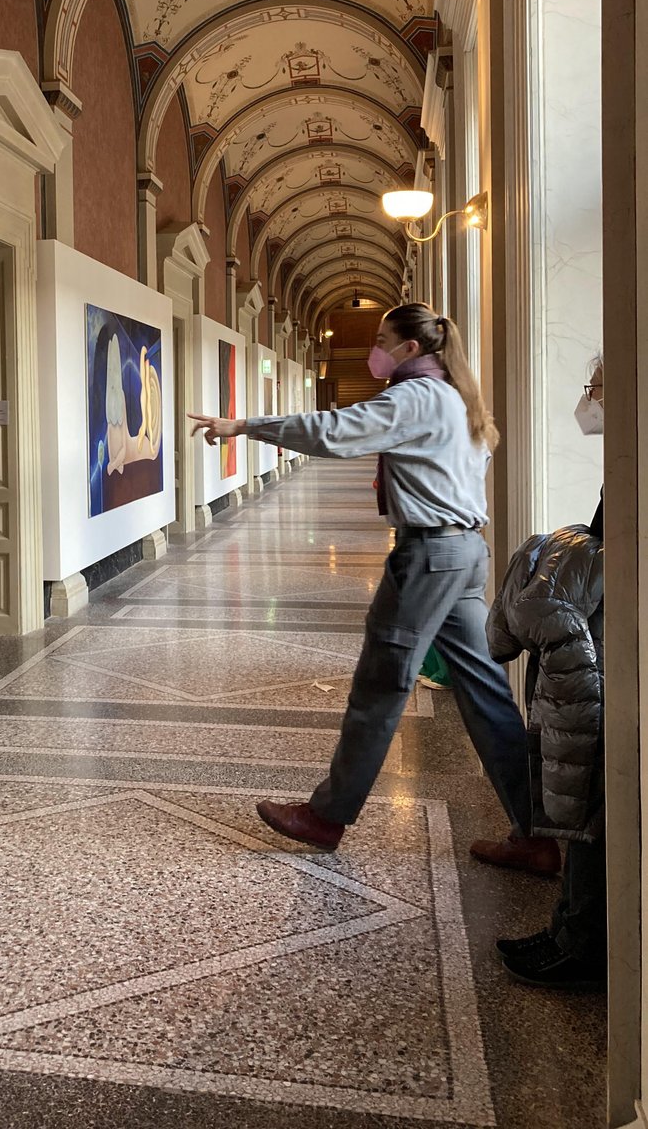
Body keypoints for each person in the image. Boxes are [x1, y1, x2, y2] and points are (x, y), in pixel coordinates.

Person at [188, 301, 558, 871]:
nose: (375, 349)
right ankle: (536, 833)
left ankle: (326, 816)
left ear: (412, 348)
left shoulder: (416, 397)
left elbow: (336, 432)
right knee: (485, 692)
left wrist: (243, 425)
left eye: (384, 339)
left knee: (379, 687)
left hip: (430, 554)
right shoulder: (457, 397)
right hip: (462, 552)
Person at [488, 358, 605, 991]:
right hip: (591, 632)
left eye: (598, 384)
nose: (589, 397)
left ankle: (580, 937)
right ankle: (573, 926)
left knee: (590, 789)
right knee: (585, 790)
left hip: (599, 644)